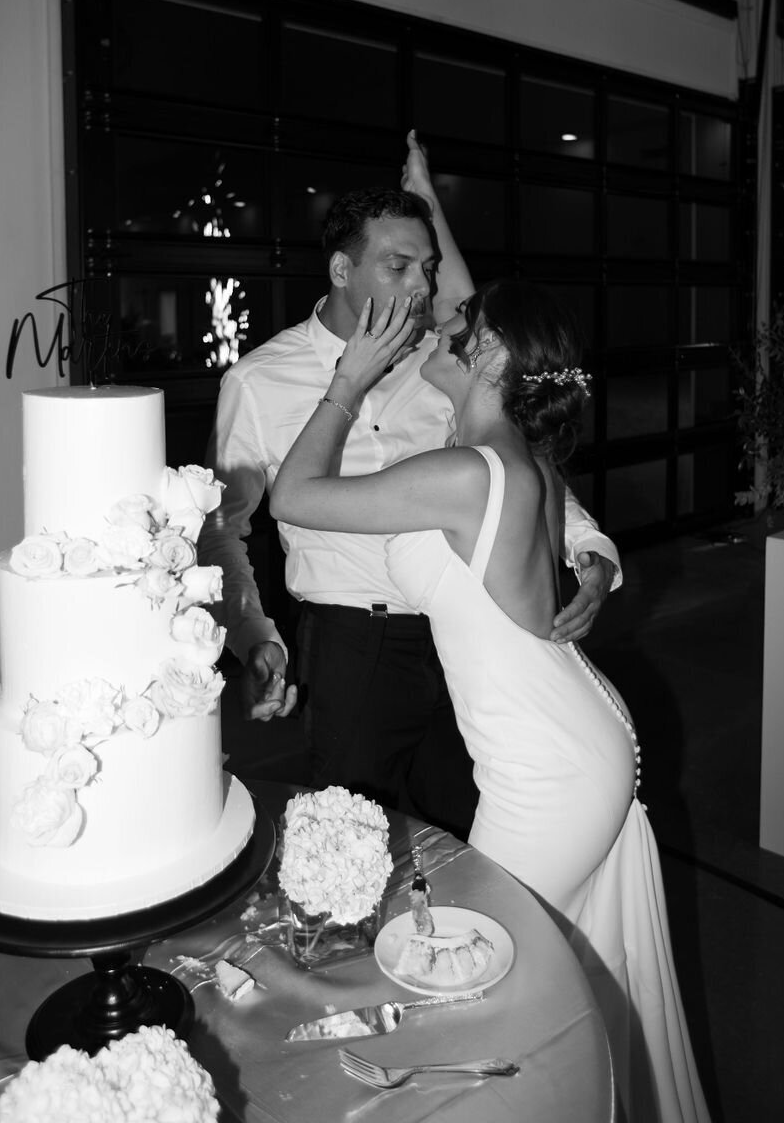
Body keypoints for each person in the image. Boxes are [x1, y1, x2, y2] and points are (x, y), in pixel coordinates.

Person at [270, 283, 711, 1123]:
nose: (435, 331)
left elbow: (293, 498)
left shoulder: (468, 473)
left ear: (494, 355)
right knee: (528, 975)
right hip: (573, 738)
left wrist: (346, 384)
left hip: (547, 771)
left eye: (455, 329)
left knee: (474, 986)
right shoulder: (517, 459)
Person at [197, 134, 621, 837]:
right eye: (398, 266)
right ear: (341, 268)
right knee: (354, 849)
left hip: (464, 638)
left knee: (472, 844)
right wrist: (252, 637)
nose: (422, 288)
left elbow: (516, 467)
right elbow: (224, 530)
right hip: (352, 648)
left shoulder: (447, 360)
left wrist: (589, 546)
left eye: (427, 268)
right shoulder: (257, 381)